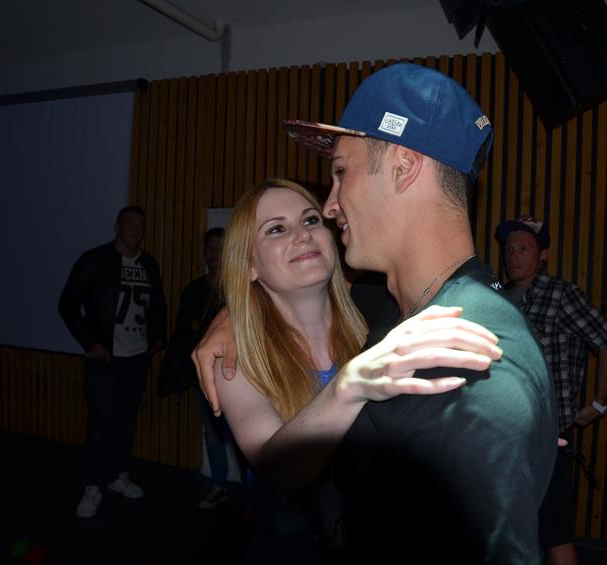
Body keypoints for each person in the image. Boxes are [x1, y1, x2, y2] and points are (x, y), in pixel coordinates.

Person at [197, 62, 557, 563]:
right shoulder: (394, 310)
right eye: (276, 230)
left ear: (404, 167)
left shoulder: (470, 360)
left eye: (340, 172)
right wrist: (234, 318)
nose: (329, 207)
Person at [214, 177, 503, 564]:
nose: (302, 234)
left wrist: (506, 427)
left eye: (311, 220)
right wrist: (348, 386)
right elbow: (280, 470)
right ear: (249, 264)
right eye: (277, 229)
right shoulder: (235, 358)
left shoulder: (379, 313)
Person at [495, 216, 607, 565]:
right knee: (507, 529)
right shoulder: (500, 296)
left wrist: (599, 402)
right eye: (509, 249)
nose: (513, 256)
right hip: (504, 430)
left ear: (544, 255)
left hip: (548, 435)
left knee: (555, 534)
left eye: (524, 249)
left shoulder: (561, 295)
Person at [58, 205, 167, 519]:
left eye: (141, 225)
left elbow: (158, 305)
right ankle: (92, 486)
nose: (136, 230)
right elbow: (67, 303)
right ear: (117, 227)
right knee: (100, 423)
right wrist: (90, 343)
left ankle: (117, 475)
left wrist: (158, 337)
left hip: (137, 358)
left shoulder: (149, 264)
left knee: (125, 421)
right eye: (130, 223)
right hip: (105, 358)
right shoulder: (94, 259)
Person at [158, 227, 237, 509]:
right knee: (213, 432)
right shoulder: (193, 290)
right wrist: (180, 377)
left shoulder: (240, 290)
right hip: (202, 377)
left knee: (247, 433)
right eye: (210, 248)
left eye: (220, 249)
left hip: (237, 375)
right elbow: (182, 336)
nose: (214, 254)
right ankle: (219, 485)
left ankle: (255, 499)